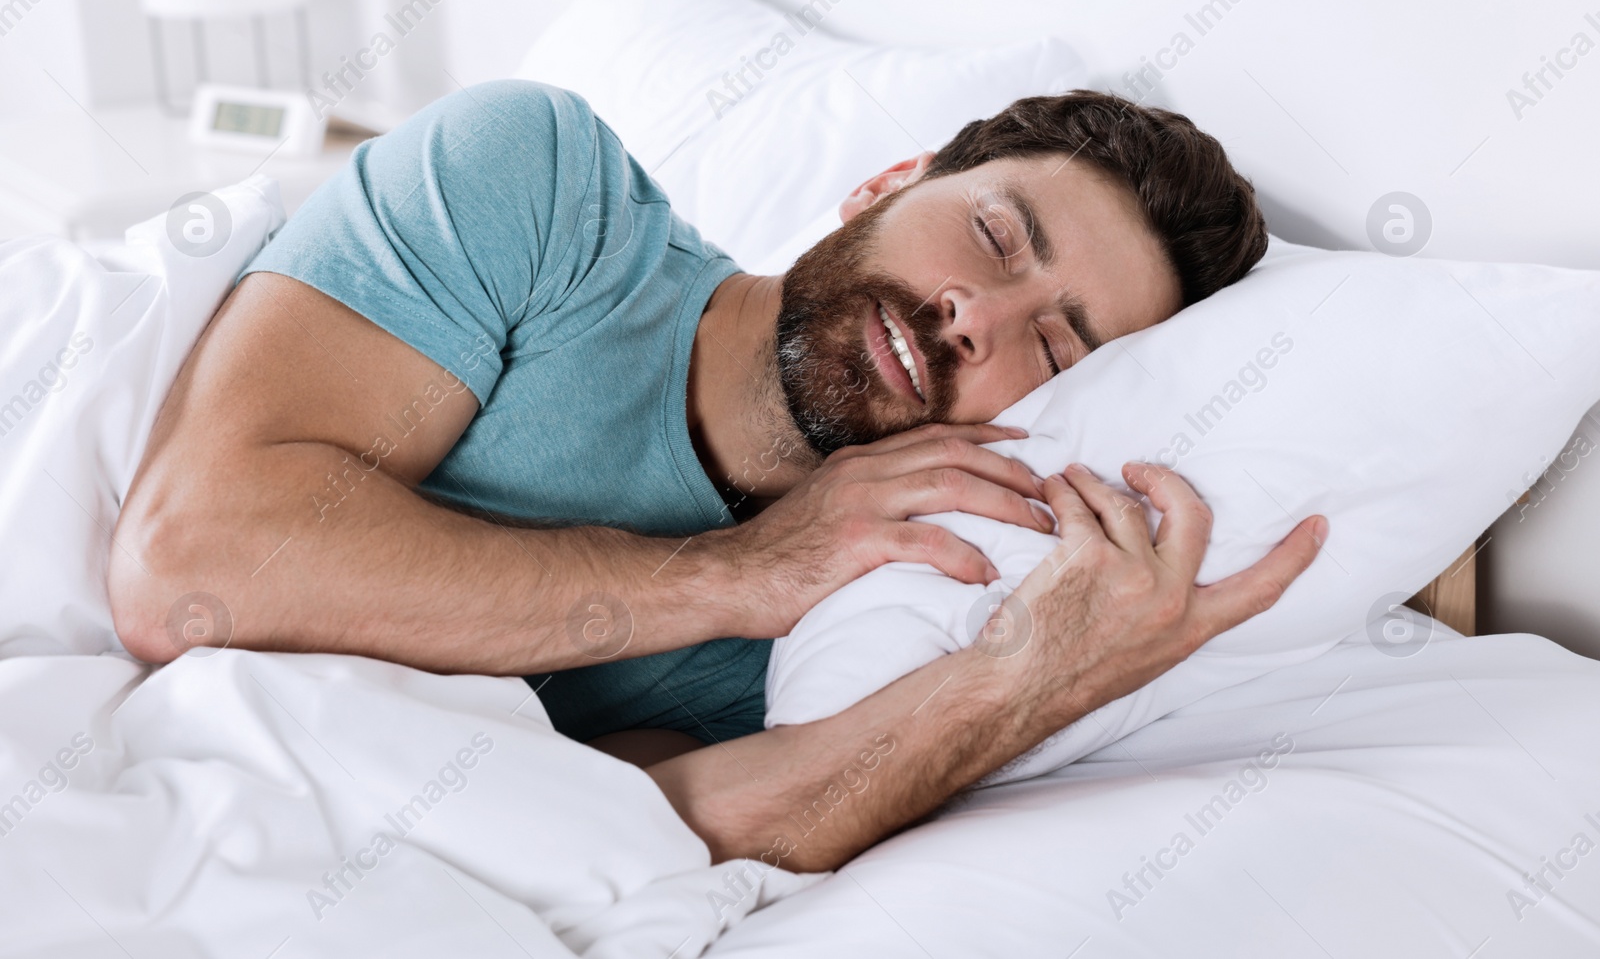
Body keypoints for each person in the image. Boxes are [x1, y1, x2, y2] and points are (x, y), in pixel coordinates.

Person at [107, 80, 1325, 872]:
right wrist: (738, 571)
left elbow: (634, 823)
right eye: (996, 237)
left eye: (1052, 345)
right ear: (887, 182)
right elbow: (185, 566)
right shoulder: (543, 191)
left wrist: (1026, 676)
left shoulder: (853, 625)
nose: (974, 317)